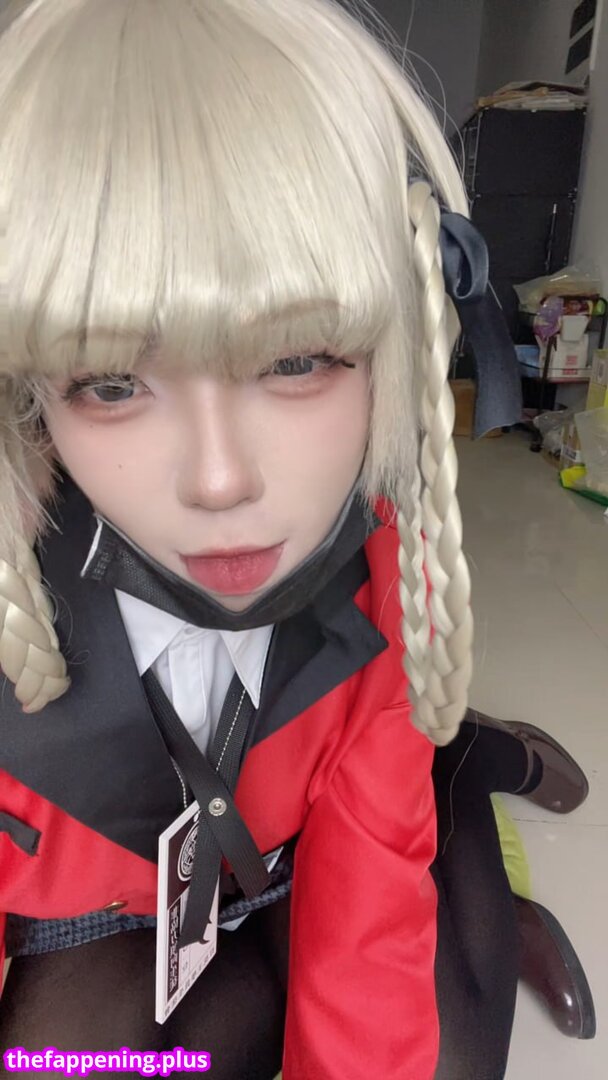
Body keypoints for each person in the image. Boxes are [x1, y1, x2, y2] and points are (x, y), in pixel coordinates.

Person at [0, 1, 594, 1078]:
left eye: (295, 360)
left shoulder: (378, 561)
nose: (220, 480)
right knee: (67, 1058)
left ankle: (466, 771)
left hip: (315, 842)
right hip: (124, 907)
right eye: (112, 382)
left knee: (447, 1051)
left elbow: (366, 918)